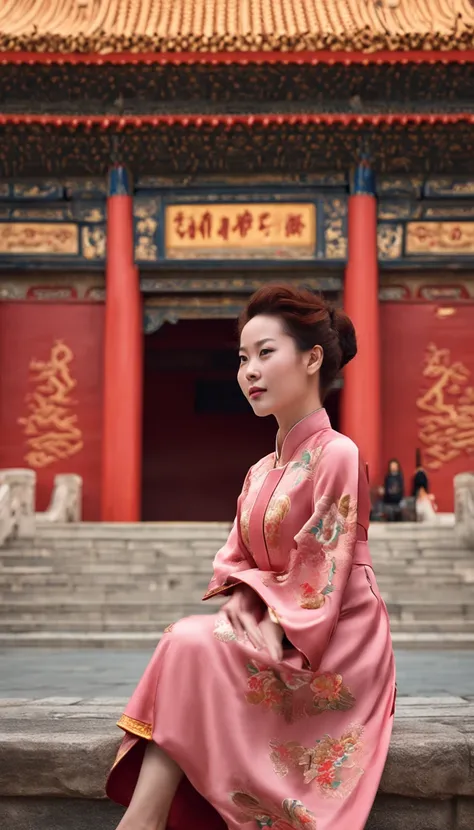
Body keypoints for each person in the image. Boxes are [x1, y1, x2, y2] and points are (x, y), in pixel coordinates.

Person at [106, 284, 396, 830]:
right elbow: (233, 554)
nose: (249, 372)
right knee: (188, 641)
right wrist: (243, 593)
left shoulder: (338, 452)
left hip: (334, 642)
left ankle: (141, 822)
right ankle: (142, 821)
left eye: (266, 353)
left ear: (312, 360)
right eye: (243, 358)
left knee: (189, 640)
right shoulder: (261, 470)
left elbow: (320, 569)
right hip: (274, 624)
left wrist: (262, 602)